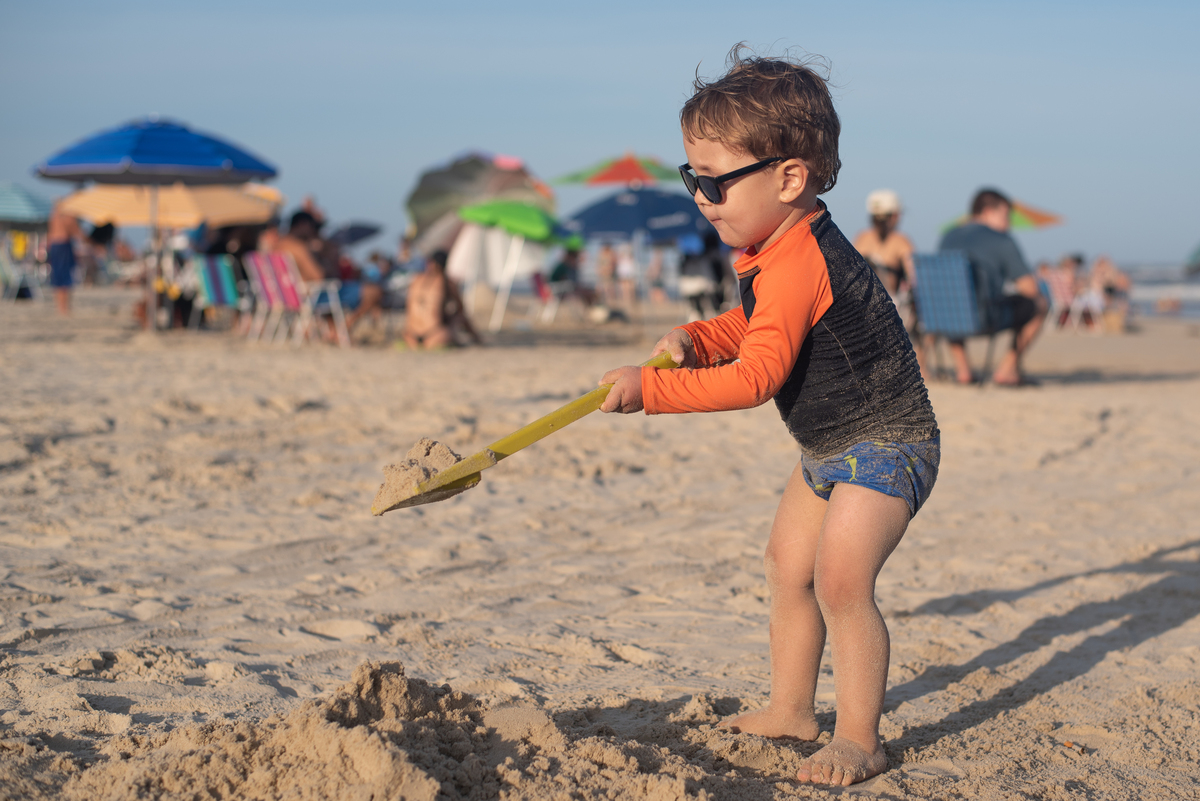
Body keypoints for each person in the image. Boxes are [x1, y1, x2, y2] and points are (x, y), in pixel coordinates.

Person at [598, 46, 939, 786]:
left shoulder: (800, 257)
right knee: (787, 568)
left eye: (714, 181)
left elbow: (757, 376)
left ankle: (860, 739)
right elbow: (758, 325)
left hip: (888, 443)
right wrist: (699, 339)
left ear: (788, 179)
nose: (701, 197)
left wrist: (652, 391)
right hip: (828, 444)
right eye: (691, 177)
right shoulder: (774, 247)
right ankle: (791, 709)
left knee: (841, 581)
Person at [939, 189, 1048, 385]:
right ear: (988, 211)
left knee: (952, 302)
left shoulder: (948, 236)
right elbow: (1030, 288)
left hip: (945, 318)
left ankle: (963, 370)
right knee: (1040, 304)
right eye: (1006, 216)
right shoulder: (1001, 240)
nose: (1009, 223)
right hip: (985, 318)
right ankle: (1006, 370)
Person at [852, 190, 926, 375]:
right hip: (892, 306)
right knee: (922, 312)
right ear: (894, 216)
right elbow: (916, 279)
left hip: (859, 307)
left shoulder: (861, 239)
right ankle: (922, 369)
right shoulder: (901, 242)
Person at [403, 250, 481, 349]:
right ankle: (477, 340)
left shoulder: (416, 279)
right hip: (435, 336)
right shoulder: (446, 282)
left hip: (410, 337)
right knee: (458, 316)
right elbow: (461, 309)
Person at [679, 231, 729, 322]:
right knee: (707, 310)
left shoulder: (696, 259)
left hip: (695, 288)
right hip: (704, 287)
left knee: (699, 311)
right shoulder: (712, 257)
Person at [46, 201, 83, 315]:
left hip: (54, 245)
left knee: (58, 276)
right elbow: (76, 232)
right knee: (65, 277)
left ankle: (60, 307)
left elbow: (50, 234)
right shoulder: (67, 216)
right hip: (63, 245)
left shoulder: (53, 216)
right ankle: (64, 307)